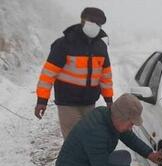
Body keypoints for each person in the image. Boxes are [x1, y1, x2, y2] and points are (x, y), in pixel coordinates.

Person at [34, 7, 114, 138]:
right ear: (83, 21)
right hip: (67, 103)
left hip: (89, 103)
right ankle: (73, 159)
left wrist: (109, 100)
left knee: (88, 139)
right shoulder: (64, 44)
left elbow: (106, 77)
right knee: (74, 140)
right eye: (92, 21)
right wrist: (42, 100)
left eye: (99, 24)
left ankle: (82, 159)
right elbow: (48, 75)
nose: (96, 26)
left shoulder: (101, 47)